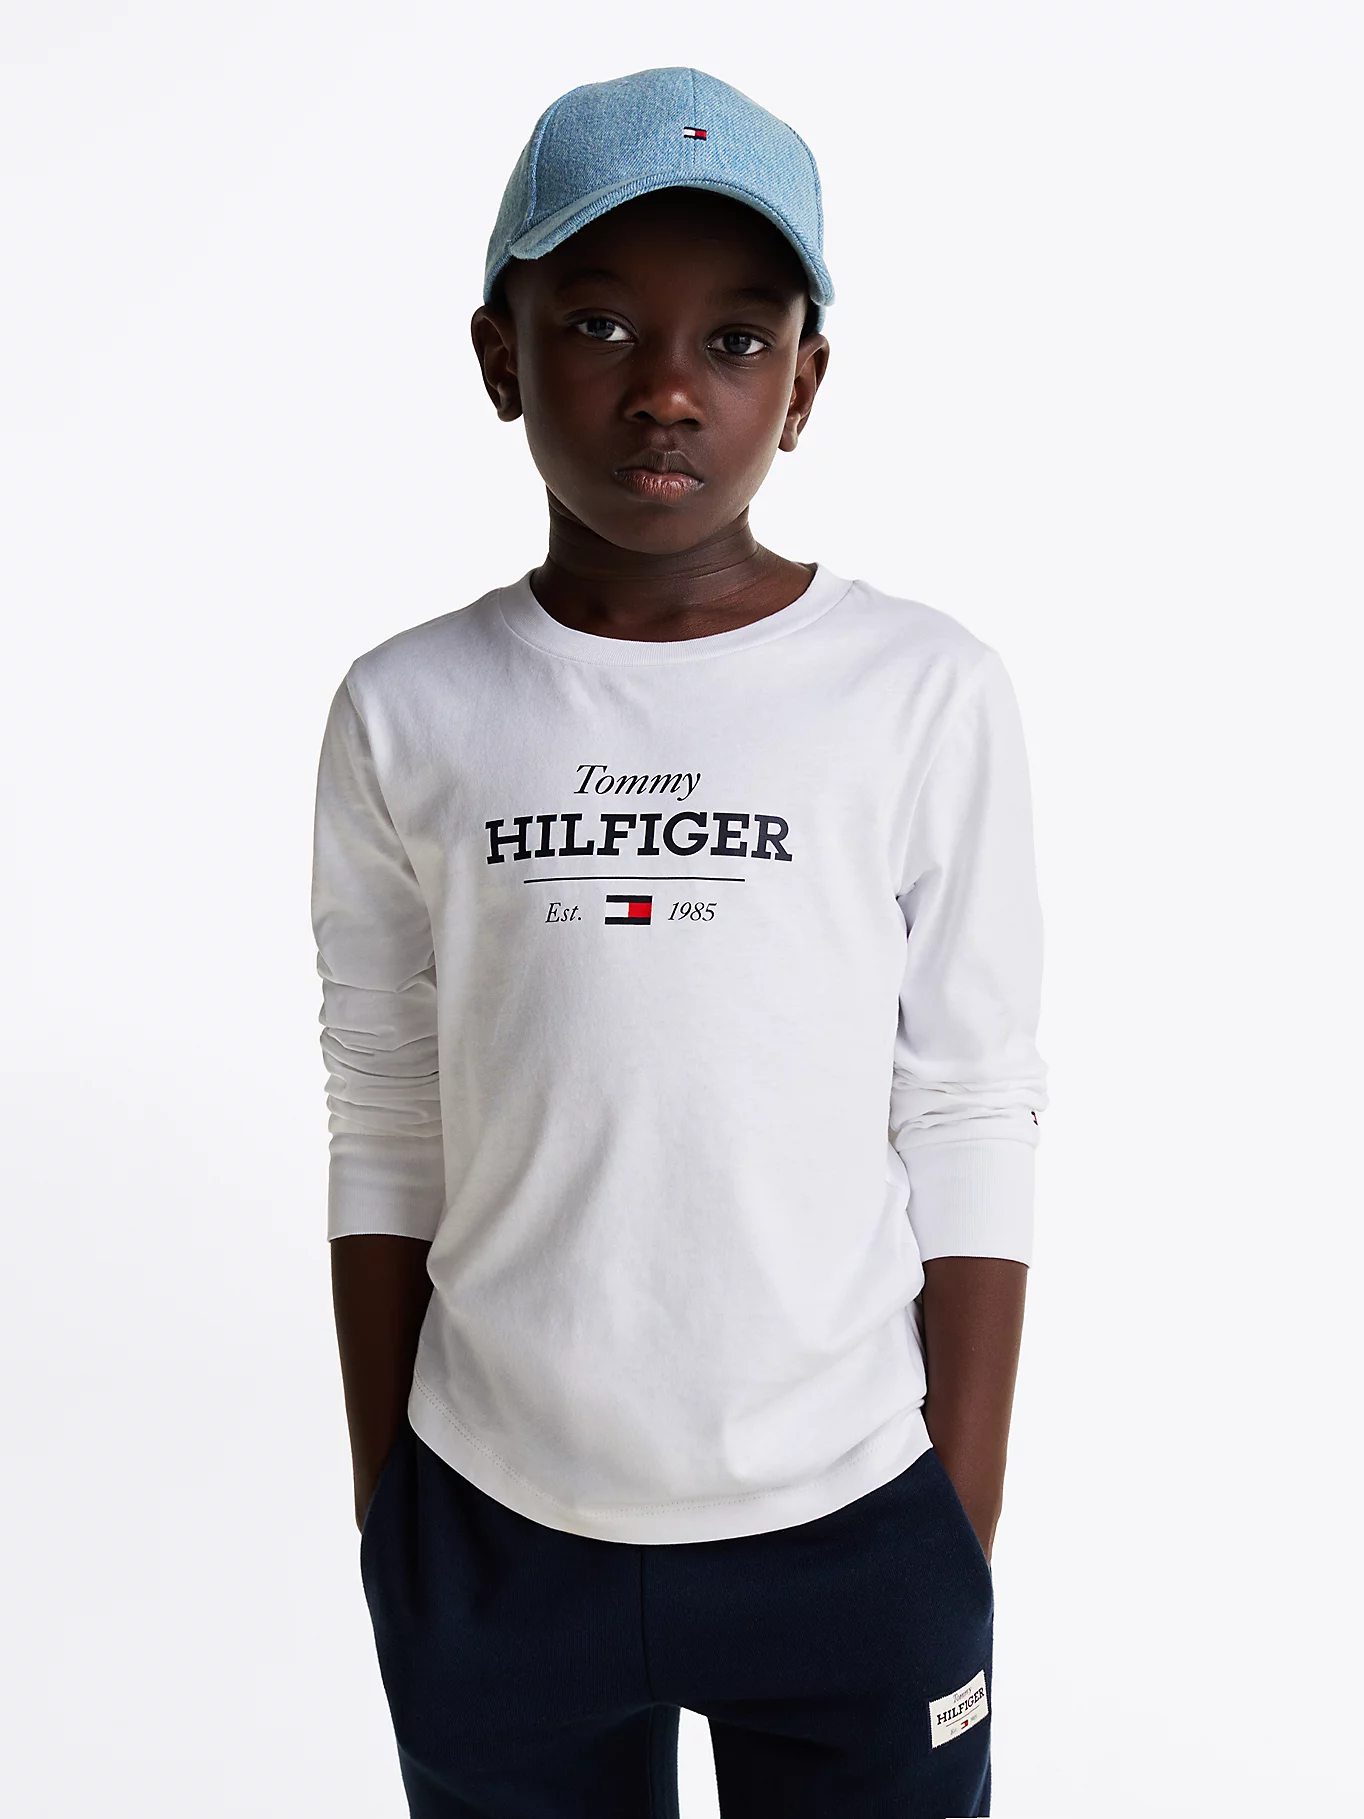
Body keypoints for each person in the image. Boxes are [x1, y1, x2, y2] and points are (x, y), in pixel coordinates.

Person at [311, 64, 1048, 1819]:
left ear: (804, 384)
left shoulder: (920, 691)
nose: (665, 387)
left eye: (734, 338)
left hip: (851, 1520)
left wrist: (959, 1509)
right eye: (596, 323)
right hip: (495, 1525)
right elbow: (386, 1101)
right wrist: (389, 1494)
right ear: (498, 355)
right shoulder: (408, 707)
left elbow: (970, 1098)